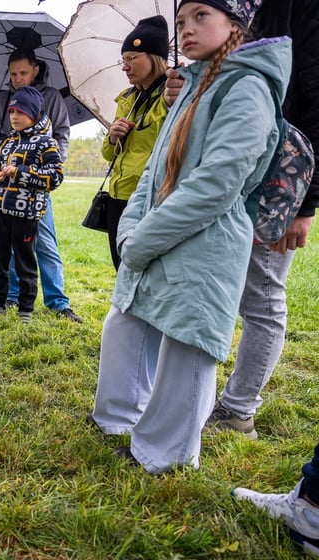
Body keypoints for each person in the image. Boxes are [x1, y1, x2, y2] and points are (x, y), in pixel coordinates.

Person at [90, 0, 286, 473]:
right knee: (126, 323)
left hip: (207, 240)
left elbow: (216, 186)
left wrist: (144, 237)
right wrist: (132, 226)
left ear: (235, 24)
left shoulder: (248, 88)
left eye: (202, 16)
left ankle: (167, 454)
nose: (187, 29)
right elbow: (153, 172)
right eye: (182, 21)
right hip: (160, 230)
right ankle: (119, 419)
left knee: (187, 346)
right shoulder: (194, 86)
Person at [162, 0, 319, 441]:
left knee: (262, 295)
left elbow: (313, 100)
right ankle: (191, 397)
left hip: (277, 180)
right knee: (209, 286)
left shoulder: (298, 8)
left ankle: (237, 409)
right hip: (226, 172)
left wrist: (305, 204)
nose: (188, 27)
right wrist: (185, 87)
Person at [0, 50, 81, 323]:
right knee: (7, 248)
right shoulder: (1, 101)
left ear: (35, 70)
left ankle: (57, 301)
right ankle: (12, 297)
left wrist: (40, 168)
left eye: (23, 73)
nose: (18, 79)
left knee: (45, 243)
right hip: (5, 190)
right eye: (13, 74)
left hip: (36, 188)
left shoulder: (51, 98)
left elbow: (61, 135)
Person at [0, 86, 64, 323]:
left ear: (35, 114)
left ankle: (26, 310)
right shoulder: (4, 143)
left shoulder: (47, 144)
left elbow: (54, 177)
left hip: (27, 216)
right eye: (11, 111)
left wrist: (19, 172)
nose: (14, 116)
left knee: (25, 263)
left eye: (21, 112)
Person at [101, 16, 170, 271]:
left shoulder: (171, 94)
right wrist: (113, 137)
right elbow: (109, 154)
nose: (125, 66)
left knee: (146, 273)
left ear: (153, 57)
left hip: (151, 198)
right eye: (124, 59)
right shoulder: (127, 99)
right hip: (118, 196)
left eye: (132, 58)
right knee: (122, 270)